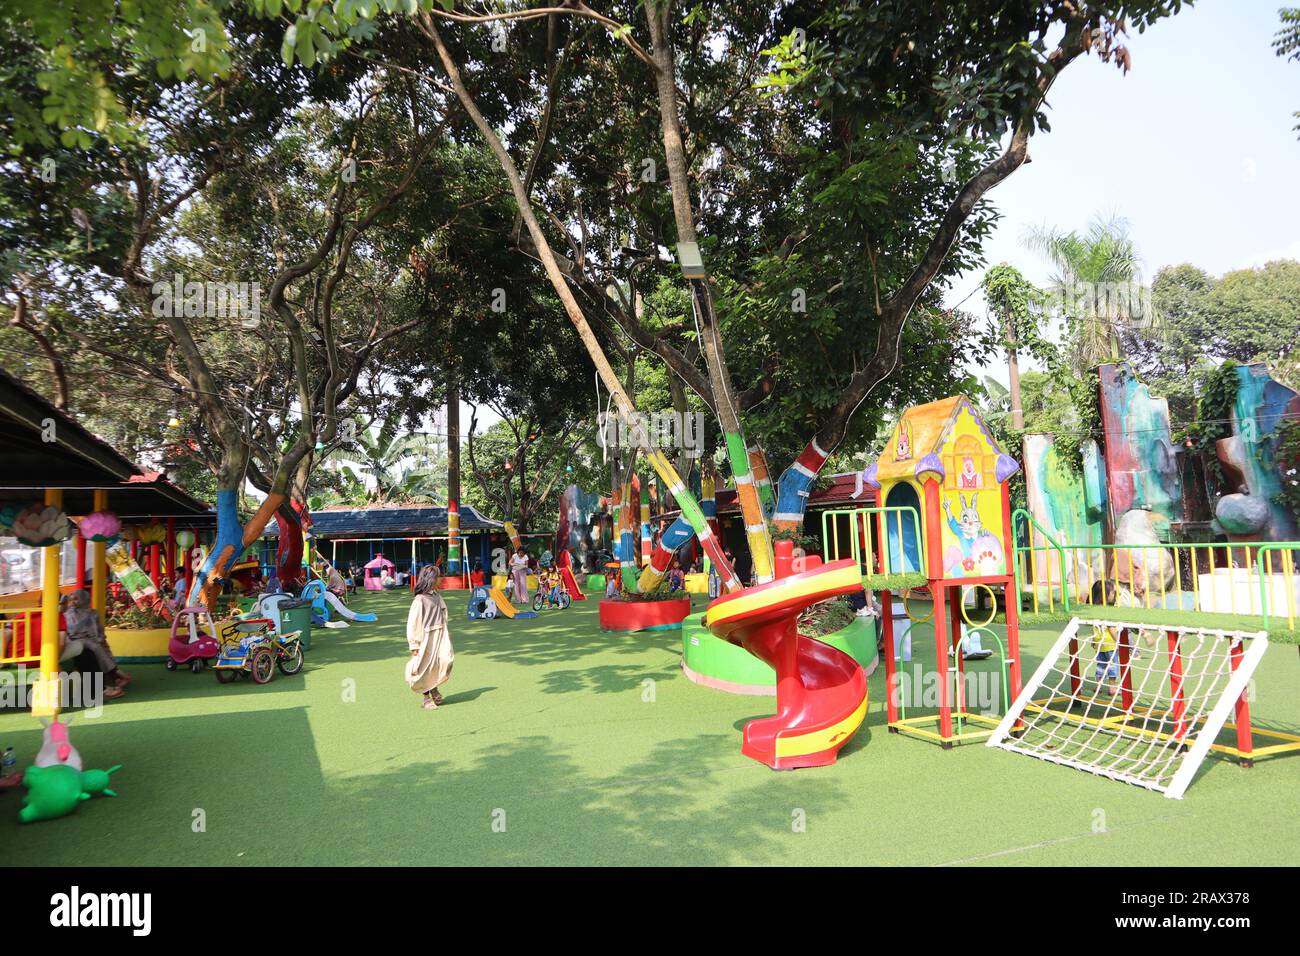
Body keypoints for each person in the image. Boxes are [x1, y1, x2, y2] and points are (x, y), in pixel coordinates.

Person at [60, 590, 128, 697]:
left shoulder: (92, 612)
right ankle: (115, 676)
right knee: (92, 650)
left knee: (98, 647)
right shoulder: (69, 613)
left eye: (76, 599)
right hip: (74, 640)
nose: (72, 602)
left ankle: (112, 677)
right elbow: (71, 631)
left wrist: (100, 638)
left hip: (90, 639)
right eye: (70, 599)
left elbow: (98, 629)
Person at [405, 566, 454, 711]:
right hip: (426, 637)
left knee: (445, 660)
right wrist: (414, 644)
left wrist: (445, 632)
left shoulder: (437, 596)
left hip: (440, 634)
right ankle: (426, 698)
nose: (441, 579)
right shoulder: (420, 600)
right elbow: (413, 622)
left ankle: (434, 688)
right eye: (438, 577)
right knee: (424, 667)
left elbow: (443, 612)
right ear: (431, 579)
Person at [1088, 580, 1123, 695]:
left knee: (1101, 665)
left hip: (1098, 642)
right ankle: (1112, 688)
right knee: (1112, 664)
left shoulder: (1094, 610)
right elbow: (1111, 627)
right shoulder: (1107, 610)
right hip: (1110, 642)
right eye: (1113, 592)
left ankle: (1098, 686)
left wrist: (1093, 640)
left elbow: (1095, 628)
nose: (1115, 594)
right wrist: (1118, 641)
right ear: (1104, 595)